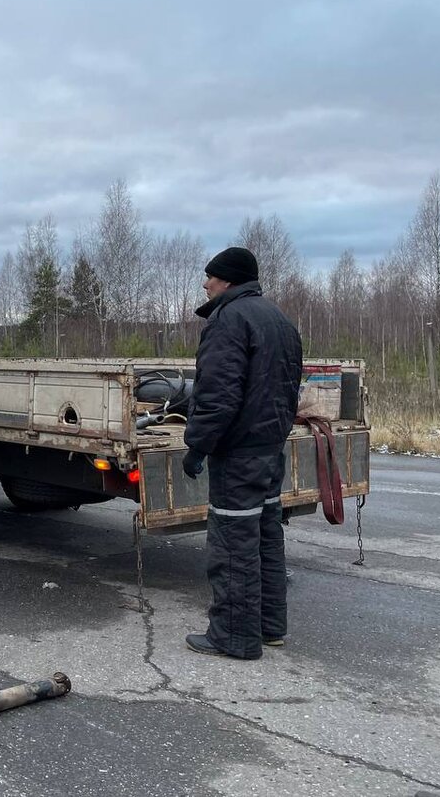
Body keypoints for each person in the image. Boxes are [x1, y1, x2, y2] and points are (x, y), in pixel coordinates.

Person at [181, 246, 303, 660]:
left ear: (228, 280)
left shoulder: (229, 319)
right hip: (270, 450)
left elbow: (218, 395)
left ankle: (233, 636)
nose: (205, 283)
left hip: (238, 456)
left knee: (233, 544)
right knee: (267, 537)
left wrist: (198, 446)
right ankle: (270, 628)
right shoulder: (279, 320)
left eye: (210, 277)